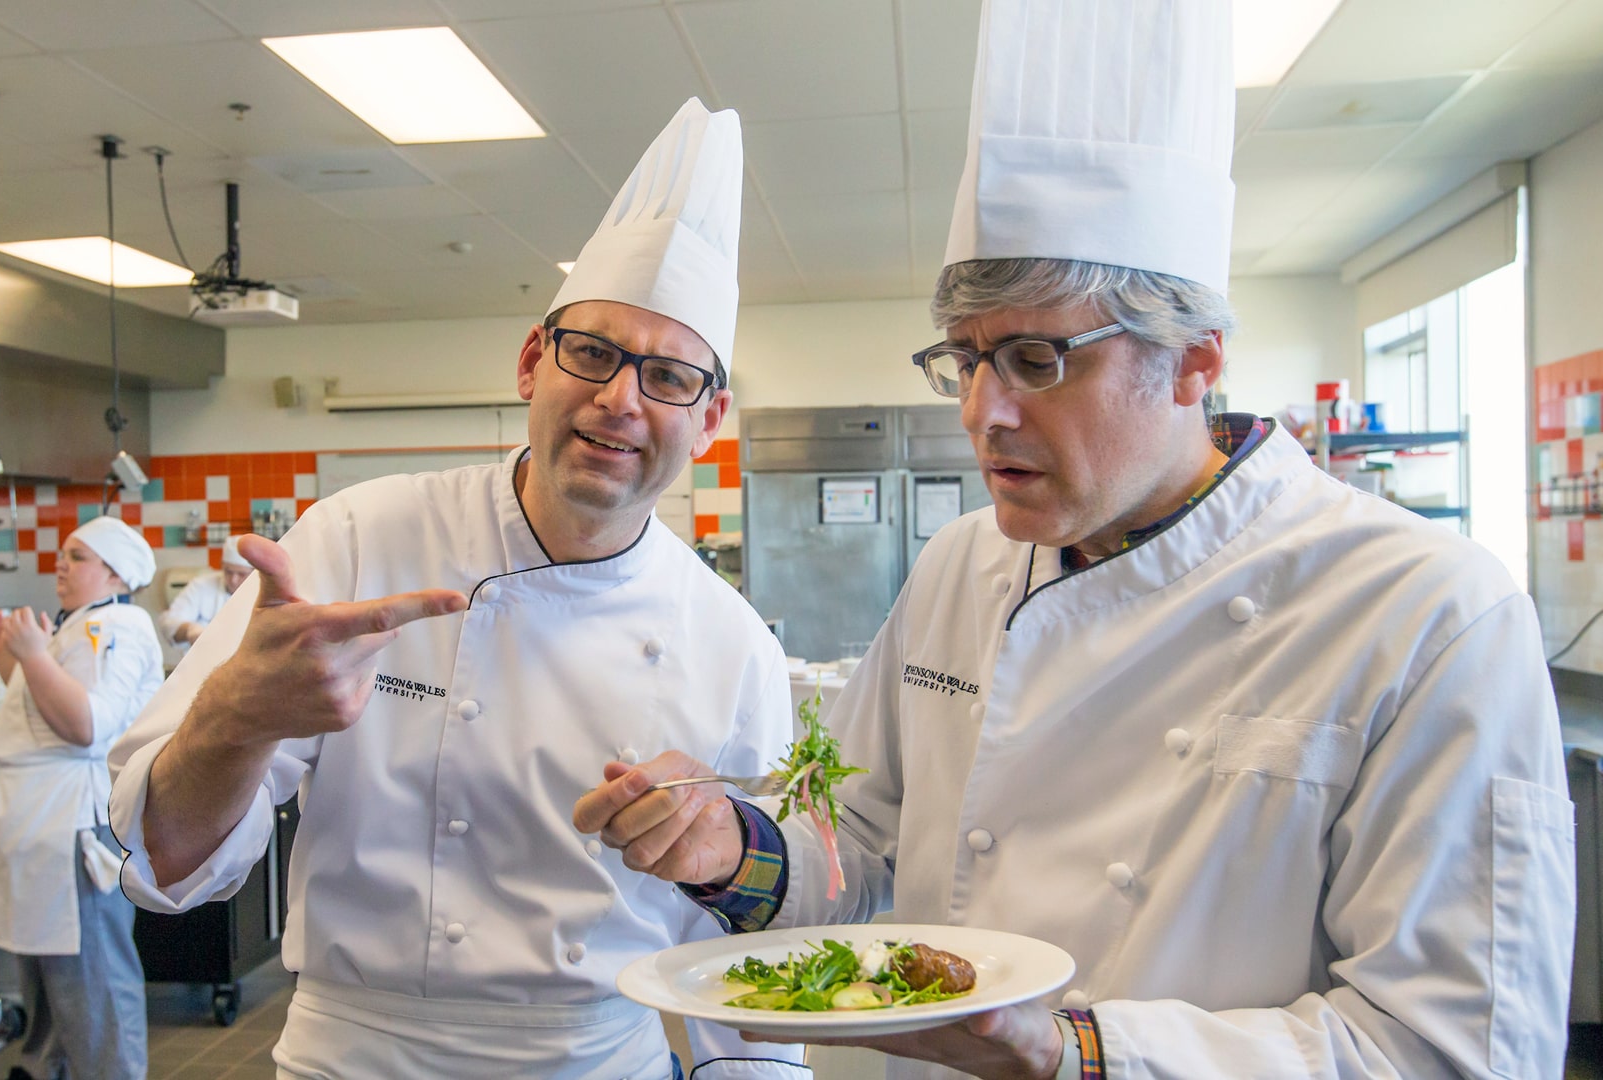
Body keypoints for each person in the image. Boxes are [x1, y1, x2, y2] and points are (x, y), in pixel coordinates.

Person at [574, 3, 1576, 1078]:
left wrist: (1079, 1054)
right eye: (965, 359)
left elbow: (1461, 1048)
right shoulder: (960, 567)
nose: (983, 414)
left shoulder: (1424, 611)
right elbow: (863, 868)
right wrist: (739, 851)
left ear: (1193, 360)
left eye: (1039, 360)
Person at [108, 99, 809, 1080]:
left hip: (598, 1063)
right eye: (594, 353)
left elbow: (751, 974)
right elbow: (157, 866)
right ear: (533, 360)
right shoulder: (358, 539)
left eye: (669, 377)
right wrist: (234, 716)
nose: (621, 400)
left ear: (711, 417)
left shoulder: (734, 645)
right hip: (355, 1060)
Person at [0, 515, 161, 1080]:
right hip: (40, 815)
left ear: (113, 572)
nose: (61, 564)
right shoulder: (77, 624)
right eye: (63, 554)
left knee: (93, 971)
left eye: (77, 557)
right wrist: (9, 654)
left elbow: (86, 725)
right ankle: (48, 1066)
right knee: (50, 963)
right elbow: (41, 709)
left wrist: (31, 654)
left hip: (76, 819)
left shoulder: (120, 626)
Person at [157, 535, 250, 647]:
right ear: (222, 566)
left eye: (241, 574)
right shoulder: (201, 586)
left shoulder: (265, 593)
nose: (233, 580)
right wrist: (190, 629)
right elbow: (169, 622)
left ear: (255, 572)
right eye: (228, 571)